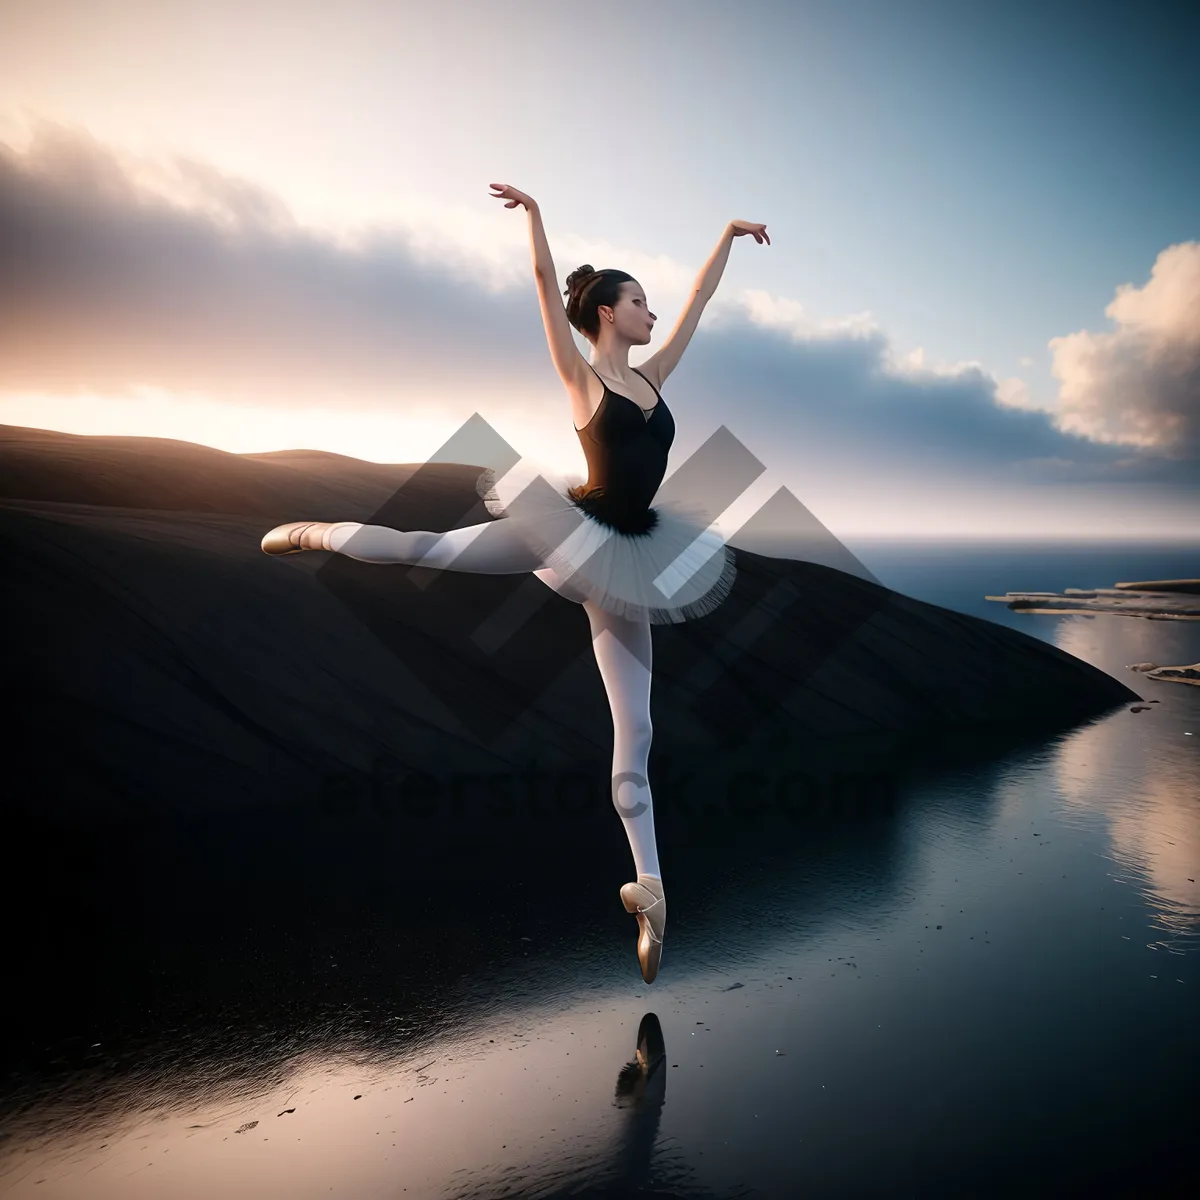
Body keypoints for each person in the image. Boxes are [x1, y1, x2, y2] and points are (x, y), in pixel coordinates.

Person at [261, 184, 770, 983]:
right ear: (606, 313)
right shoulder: (582, 377)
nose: (652, 313)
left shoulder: (656, 374)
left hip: (632, 555)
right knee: (426, 548)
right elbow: (542, 284)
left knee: (635, 736)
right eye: (639, 302)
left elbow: (702, 299)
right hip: (573, 531)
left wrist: (730, 238)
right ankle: (314, 531)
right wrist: (536, 217)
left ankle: (653, 893)